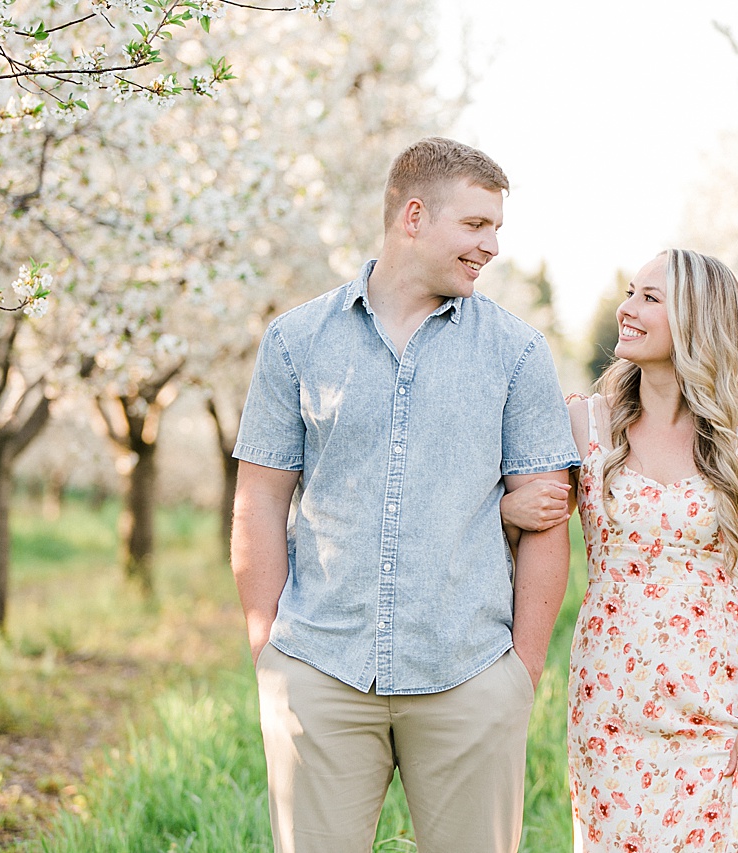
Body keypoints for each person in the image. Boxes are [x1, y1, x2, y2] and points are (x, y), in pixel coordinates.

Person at [229, 136, 581, 853]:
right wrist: (270, 650)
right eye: (476, 226)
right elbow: (259, 500)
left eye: (497, 230)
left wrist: (522, 672)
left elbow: (547, 516)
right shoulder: (296, 340)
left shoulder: (517, 351)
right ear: (413, 216)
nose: (491, 247)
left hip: (468, 676)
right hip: (320, 672)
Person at [503, 249, 738, 851]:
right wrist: (508, 509)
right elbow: (517, 521)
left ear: (697, 320)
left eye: (650, 299)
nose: (626, 309)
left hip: (716, 695)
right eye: (631, 293)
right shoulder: (586, 424)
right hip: (609, 694)